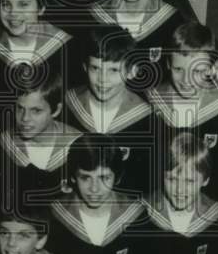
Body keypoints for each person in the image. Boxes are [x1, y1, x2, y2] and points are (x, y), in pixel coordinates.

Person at [146, 22, 218, 205]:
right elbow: (143, 164)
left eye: (197, 71)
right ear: (168, 64)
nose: (186, 80)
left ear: (211, 69)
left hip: (203, 201)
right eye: (178, 69)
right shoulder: (151, 103)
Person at [64, 27, 154, 194]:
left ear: (131, 71)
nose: (102, 80)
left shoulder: (146, 119)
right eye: (95, 68)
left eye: (113, 70)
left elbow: (145, 182)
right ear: (85, 67)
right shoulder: (68, 106)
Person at [0, 68, 80, 203]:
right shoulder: (2, 145)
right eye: (20, 108)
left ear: (56, 110)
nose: (25, 118)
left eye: (36, 111)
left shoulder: (79, 146)